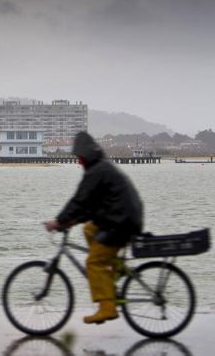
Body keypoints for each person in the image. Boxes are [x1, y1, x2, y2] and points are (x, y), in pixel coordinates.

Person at [44, 131, 143, 324]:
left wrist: (59, 221)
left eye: (79, 158)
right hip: (123, 219)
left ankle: (107, 308)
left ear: (85, 156)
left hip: (120, 224)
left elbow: (79, 201)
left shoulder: (96, 172)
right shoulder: (102, 167)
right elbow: (91, 206)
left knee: (93, 263)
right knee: (89, 229)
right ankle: (115, 267)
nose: (79, 162)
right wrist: (72, 221)